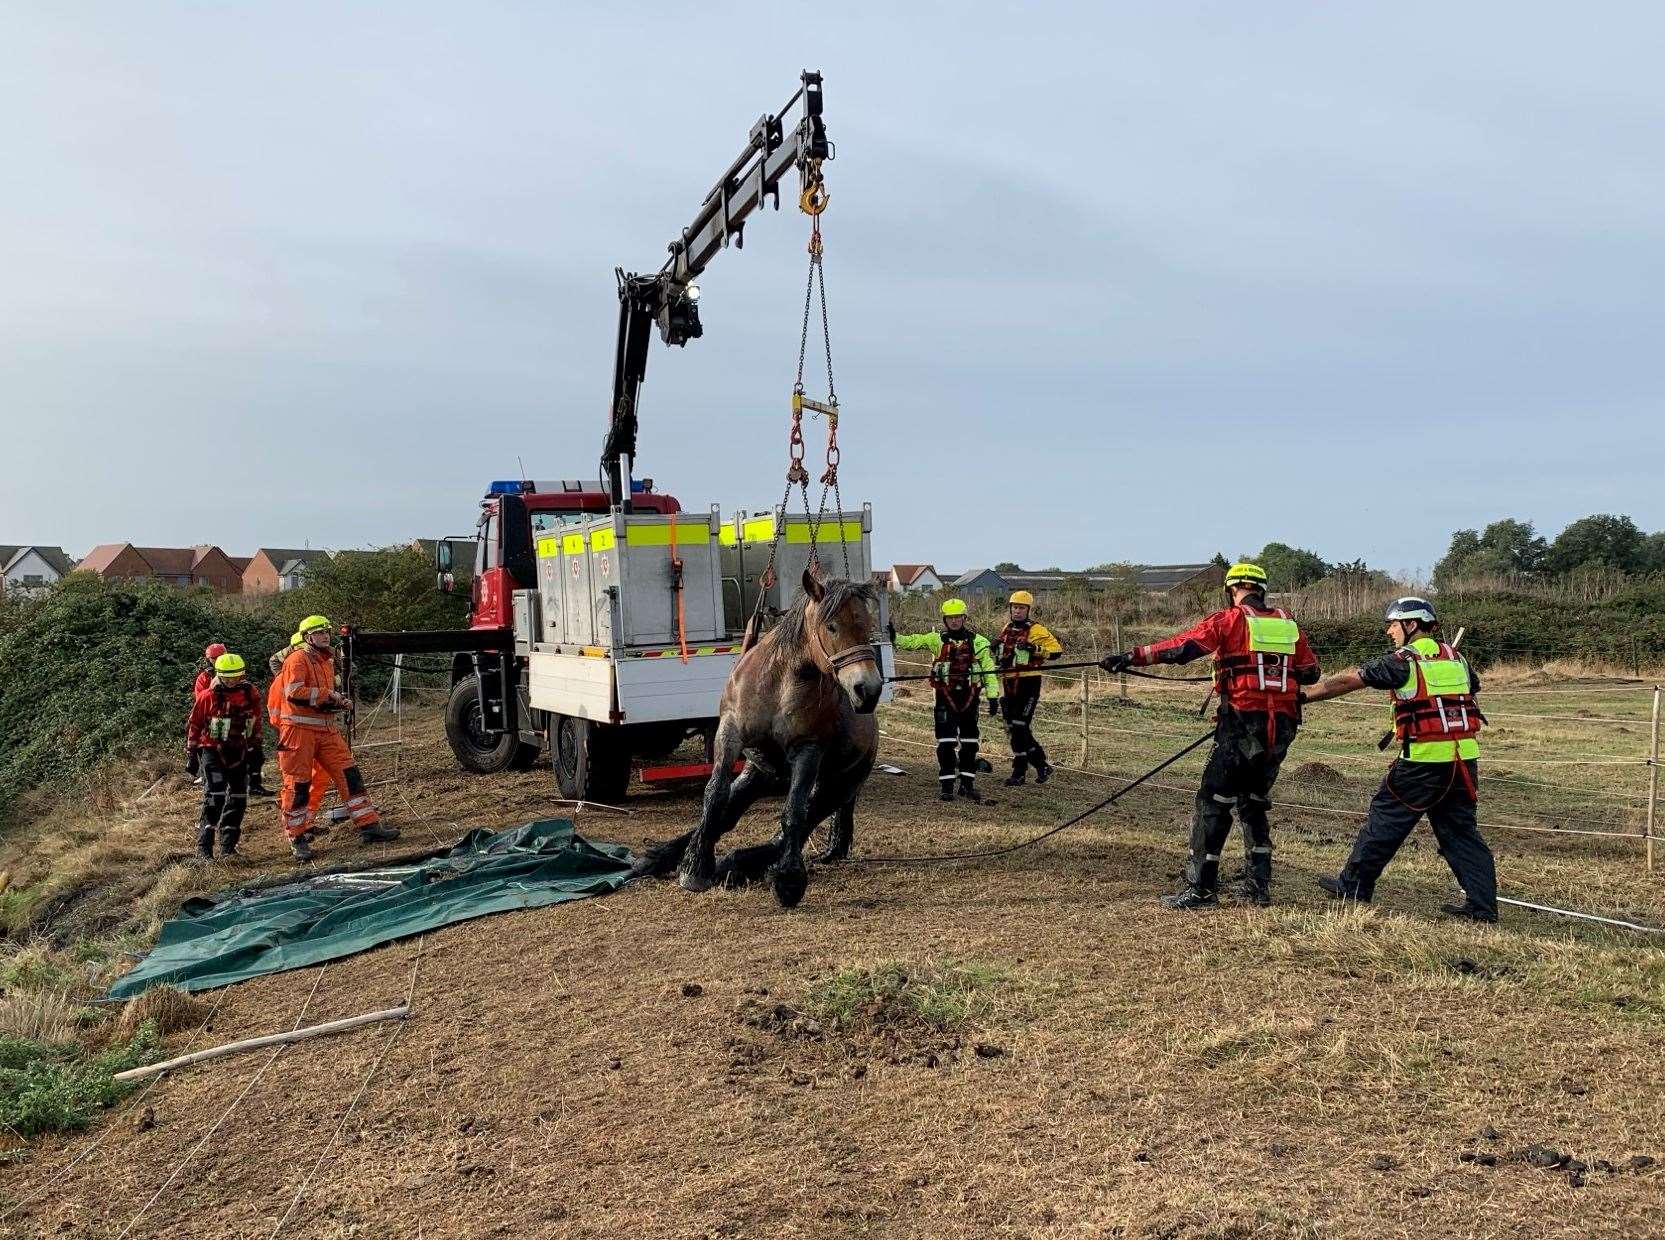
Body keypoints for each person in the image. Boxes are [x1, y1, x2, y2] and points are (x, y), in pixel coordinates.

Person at [1100, 562, 1319, 908]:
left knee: (1212, 802)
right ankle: (1258, 888)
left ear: (1232, 591)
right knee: (1254, 801)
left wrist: (1131, 657)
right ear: (1261, 590)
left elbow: (1183, 648)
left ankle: (1200, 889)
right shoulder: (1290, 625)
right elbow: (1310, 672)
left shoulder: (1229, 620)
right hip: (1283, 729)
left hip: (1242, 725)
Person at [1300, 597, 1497, 922]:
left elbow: (1348, 680)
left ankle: (1354, 886)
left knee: (1384, 821)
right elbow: (1472, 688)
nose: (1389, 631)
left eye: (1393, 624)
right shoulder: (1457, 658)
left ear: (1412, 625)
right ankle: (1483, 906)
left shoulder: (1403, 661)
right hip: (1463, 762)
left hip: (1422, 763)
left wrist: (1301, 696)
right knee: (1460, 832)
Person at [276, 615, 396, 861]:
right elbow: (295, 693)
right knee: (298, 786)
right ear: (308, 637)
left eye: (327, 631)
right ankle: (297, 838)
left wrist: (339, 702)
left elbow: (320, 698)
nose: (325, 635)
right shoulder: (297, 659)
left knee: (349, 774)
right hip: (298, 732)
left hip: (326, 729)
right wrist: (330, 696)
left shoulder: (326, 661)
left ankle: (369, 826)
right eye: (319, 632)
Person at [893, 598, 1001, 802]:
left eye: (957, 617)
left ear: (964, 618)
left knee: (970, 744)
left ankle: (967, 785)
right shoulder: (936, 640)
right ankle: (947, 786)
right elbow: (912, 641)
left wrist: (993, 696)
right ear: (944, 619)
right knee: (946, 743)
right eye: (950, 618)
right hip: (945, 700)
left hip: (970, 700)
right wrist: (892, 635)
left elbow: (989, 672)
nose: (954, 621)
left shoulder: (979, 643)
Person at [185, 652, 262, 860]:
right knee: (215, 795)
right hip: (213, 751)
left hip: (239, 750)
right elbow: (195, 724)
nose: (232, 680)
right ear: (219, 675)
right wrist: (192, 753)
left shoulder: (250, 693)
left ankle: (228, 847)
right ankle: (205, 847)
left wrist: (256, 748)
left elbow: (255, 720)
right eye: (227, 677)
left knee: (238, 796)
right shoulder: (207, 697)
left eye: (236, 676)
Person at [993, 590, 1064, 786]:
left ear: (1028, 610)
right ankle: (1038, 766)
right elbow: (1002, 651)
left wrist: (1035, 650)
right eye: (1014, 607)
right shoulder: (1007, 627)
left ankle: (1022, 770)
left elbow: (1056, 651)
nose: (1017, 611)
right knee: (1014, 728)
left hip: (1029, 683)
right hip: (1008, 683)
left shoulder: (1037, 630)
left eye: (1021, 608)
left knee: (1020, 726)